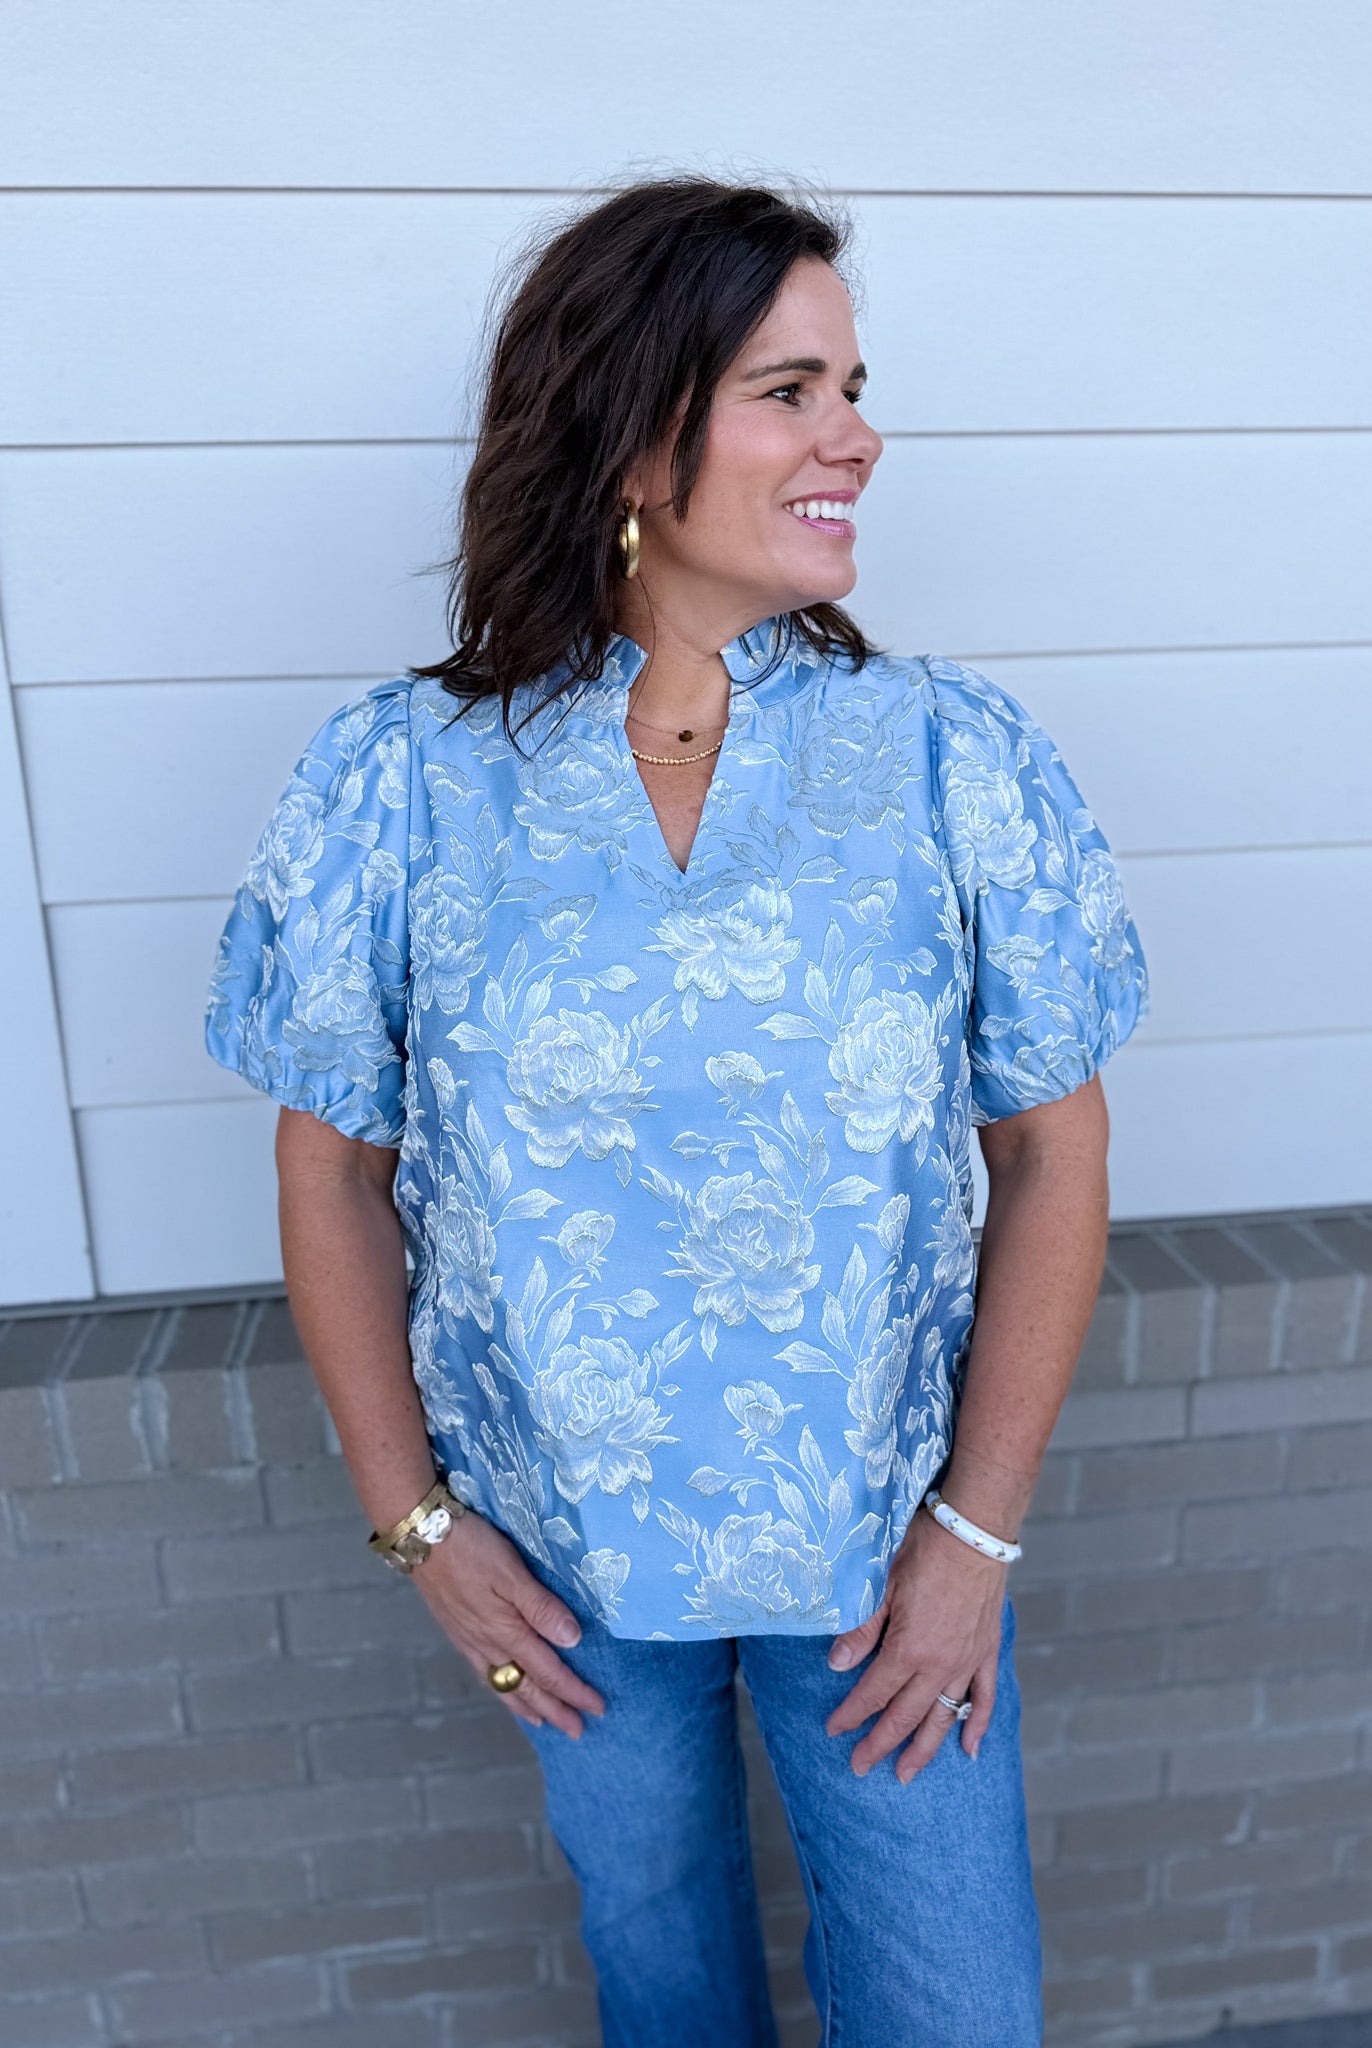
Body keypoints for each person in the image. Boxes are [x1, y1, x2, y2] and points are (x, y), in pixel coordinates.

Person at [205, 174, 1149, 2048]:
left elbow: (1054, 1151)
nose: (855, 436)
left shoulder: (950, 758)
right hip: (560, 1561)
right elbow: (330, 1170)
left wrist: (974, 1542)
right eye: (791, 392)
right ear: (635, 432)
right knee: (665, 1982)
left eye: (854, 388)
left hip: (885, 1549)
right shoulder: (404, 779)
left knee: (958, 2004)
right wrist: (417, 1525)